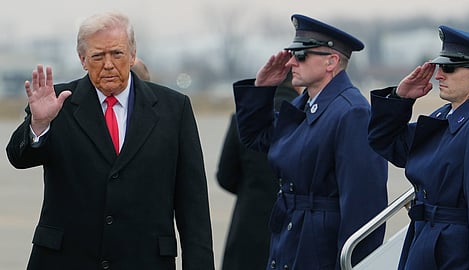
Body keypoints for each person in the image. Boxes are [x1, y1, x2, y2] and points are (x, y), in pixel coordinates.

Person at [6, 11, 214, 270]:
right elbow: (18, 157)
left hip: (145, 260)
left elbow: (193, 205)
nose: (108, 64)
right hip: (66, 259)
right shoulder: (58, 102)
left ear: (133, 54)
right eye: (97, 56)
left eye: (116, 53)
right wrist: (39, 124)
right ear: (82, 59)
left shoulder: (174, 109)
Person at [232, 14, 388, 269]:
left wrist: (352, 265)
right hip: (291, 239)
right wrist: (261, 90)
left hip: (320, 251)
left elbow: (363, 209)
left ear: (331, 61)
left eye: (302, 54)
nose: (292, 61)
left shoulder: (352, 113)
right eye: (293, 53)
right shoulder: (303, 106)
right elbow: (257, 139)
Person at [368, 25, 469, 269]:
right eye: (439, 67)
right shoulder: (445, 116)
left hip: (453, 255)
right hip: (424, 244)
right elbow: (387, 143)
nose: (439, 75)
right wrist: (401, 99)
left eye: (449, 68)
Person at [216, 72, 300, 270]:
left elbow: (225, 176)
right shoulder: (307, 117)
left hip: (249, 223)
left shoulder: (242, 119)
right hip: (294, 222)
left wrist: (252, 190)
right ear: (297, 83)